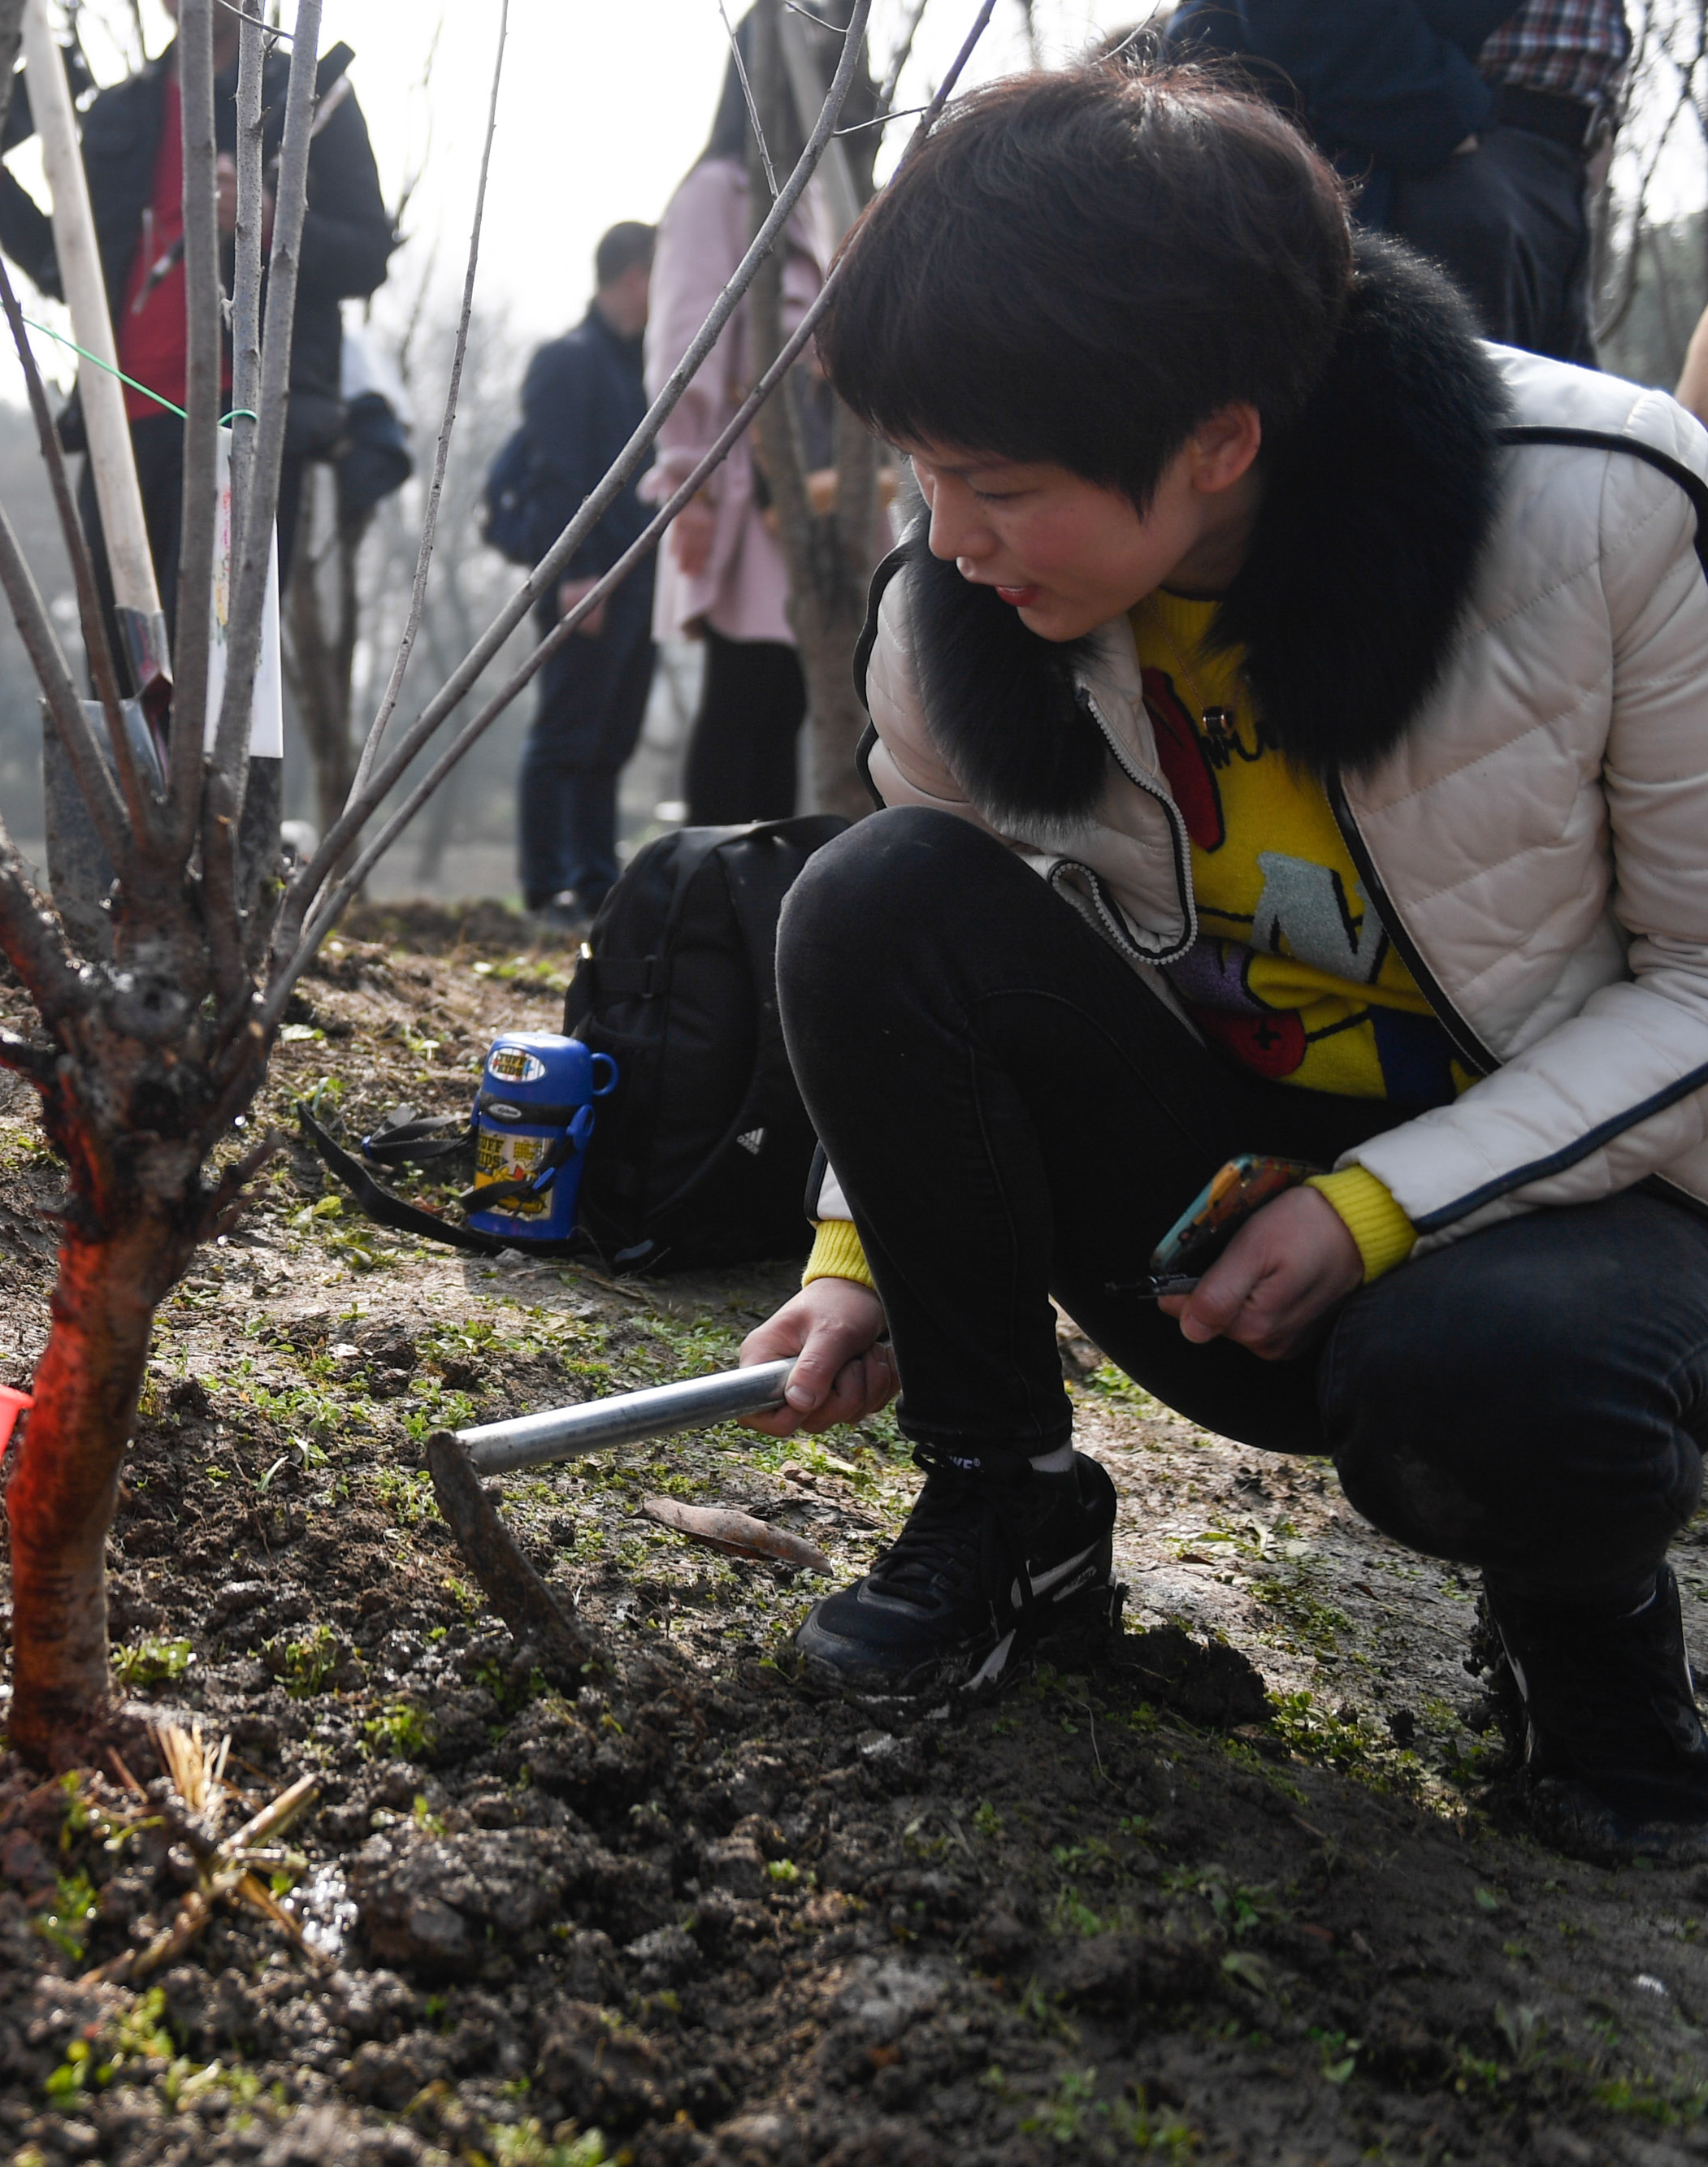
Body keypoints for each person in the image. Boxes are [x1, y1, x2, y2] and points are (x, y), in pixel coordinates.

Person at [739, 63, 1708, 1867]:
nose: (947, 533)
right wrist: (863, 1248)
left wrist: (1374, 1210)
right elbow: (937, 946)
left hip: (1559, 1226)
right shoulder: (961, 603)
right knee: (867, 890)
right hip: (1213, 1230)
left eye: (995, 485)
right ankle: (1002, 1509)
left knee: (1500, 1384)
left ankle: (1580, 1623)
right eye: (925, 473)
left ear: (1218, 439)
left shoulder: (1599, 514)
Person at [0, 0, 397, 863]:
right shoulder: (124, 107)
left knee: (225, 646)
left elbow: (365, 251)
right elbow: (72, 265)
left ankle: (231, 863)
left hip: (243, 418)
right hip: (119, 418)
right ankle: (126, 860)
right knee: (120, 645)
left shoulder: (307, 93)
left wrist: (264, 217)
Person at [645, 7, 863, 826]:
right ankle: (711, 896)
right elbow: (682, 345)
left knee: (785, 701)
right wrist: (687, 482)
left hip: (812, 482)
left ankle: (763, 897)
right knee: (746, 697)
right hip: (740, 482)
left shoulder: (810, 201)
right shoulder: (713, 194)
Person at [1168, 1, 1626, 364]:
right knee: (1448, 457)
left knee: (1553, 456)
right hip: (1430, 165)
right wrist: (1434, 115)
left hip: (1550, 173)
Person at [512, 222, 661, 925]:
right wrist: (575, 575)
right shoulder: (567, 361)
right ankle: (546, 889)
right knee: (566, 735)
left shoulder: (639, 369)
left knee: (608, 740)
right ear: (636, 275)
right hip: (590, 579)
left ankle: (595, 882)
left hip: (640, 583)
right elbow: (556, 479)